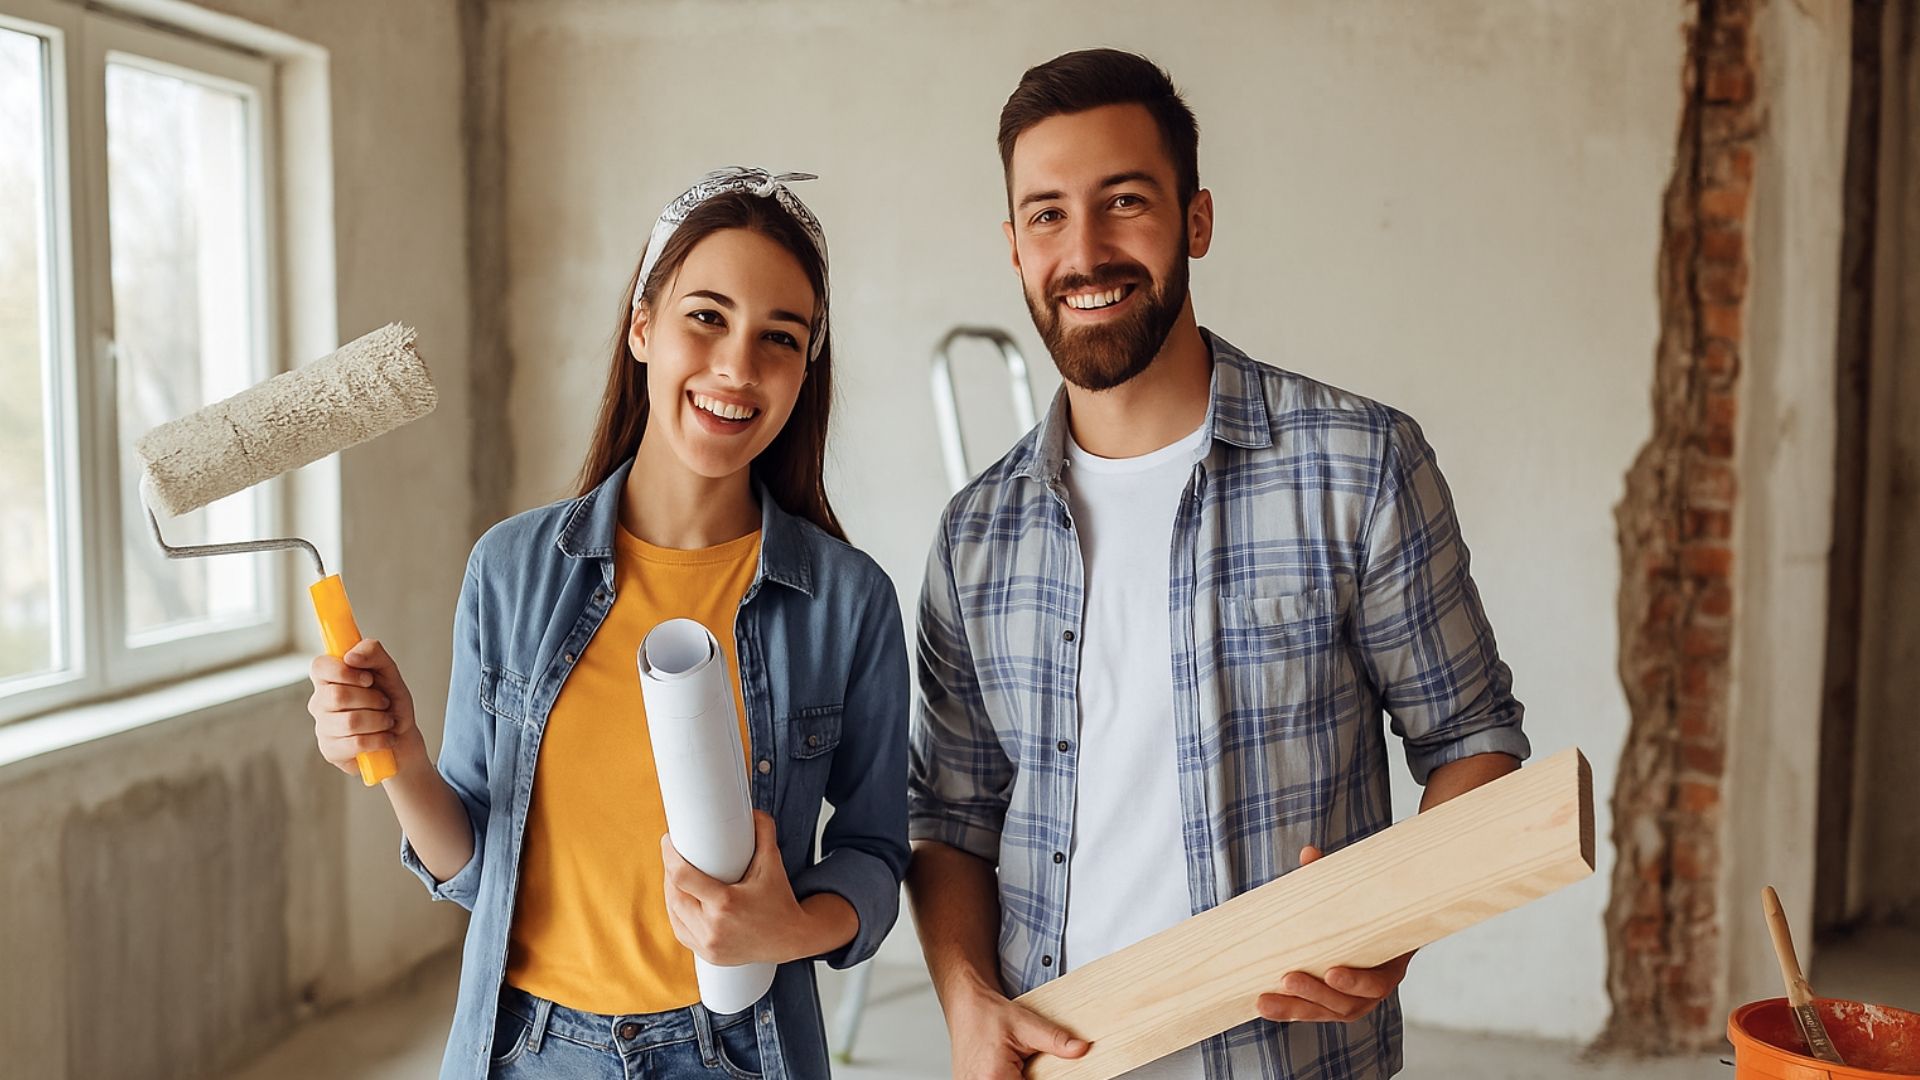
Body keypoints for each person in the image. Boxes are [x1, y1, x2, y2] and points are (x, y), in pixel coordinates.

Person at [906, 51, 1531, 1080]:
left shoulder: (1359, 467)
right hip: (1057, 1062)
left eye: (1124, 202)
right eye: (1048, 215)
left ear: (1195, 221)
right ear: (1014, 247)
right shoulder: (976, 536)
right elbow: (952, 820)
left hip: (1289, 1061)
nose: (1087, 250)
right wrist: (970, 1007)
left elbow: (1475, 739)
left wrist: (1391, 923)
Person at [306, 167, 908, 1080]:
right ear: (642, 326)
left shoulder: (847, 601)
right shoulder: (510, 570)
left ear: (802, 371)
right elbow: (473, 869)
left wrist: (791, 924)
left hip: (738, 1051)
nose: (737, 367)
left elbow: (874, 853)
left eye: (777, 338)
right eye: (705, 317)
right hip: (526, 1051)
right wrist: (404, 757)